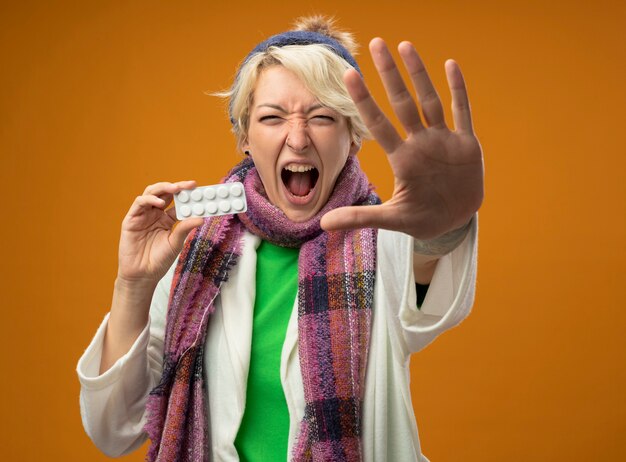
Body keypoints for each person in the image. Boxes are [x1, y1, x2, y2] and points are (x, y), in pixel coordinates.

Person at [77, 15, 483, 462]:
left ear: (352, 137)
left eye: (322, 116)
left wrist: (445, 226)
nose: (298, 138)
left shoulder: (381, 244)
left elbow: (430, 281)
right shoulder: (195, 253)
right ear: (244, 136)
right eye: (272, 117)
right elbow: (114, 431)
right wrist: (133, 285)